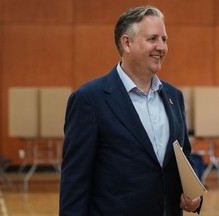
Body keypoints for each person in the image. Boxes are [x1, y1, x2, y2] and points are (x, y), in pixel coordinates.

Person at [59, 5, 202, 216]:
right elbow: (75, 180)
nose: (161, 47)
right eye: (153, 39)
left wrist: (195, 196)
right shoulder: (89, 100)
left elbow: (184, 158)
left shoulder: (174, 96)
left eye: (164, 39)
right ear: (127, 43)